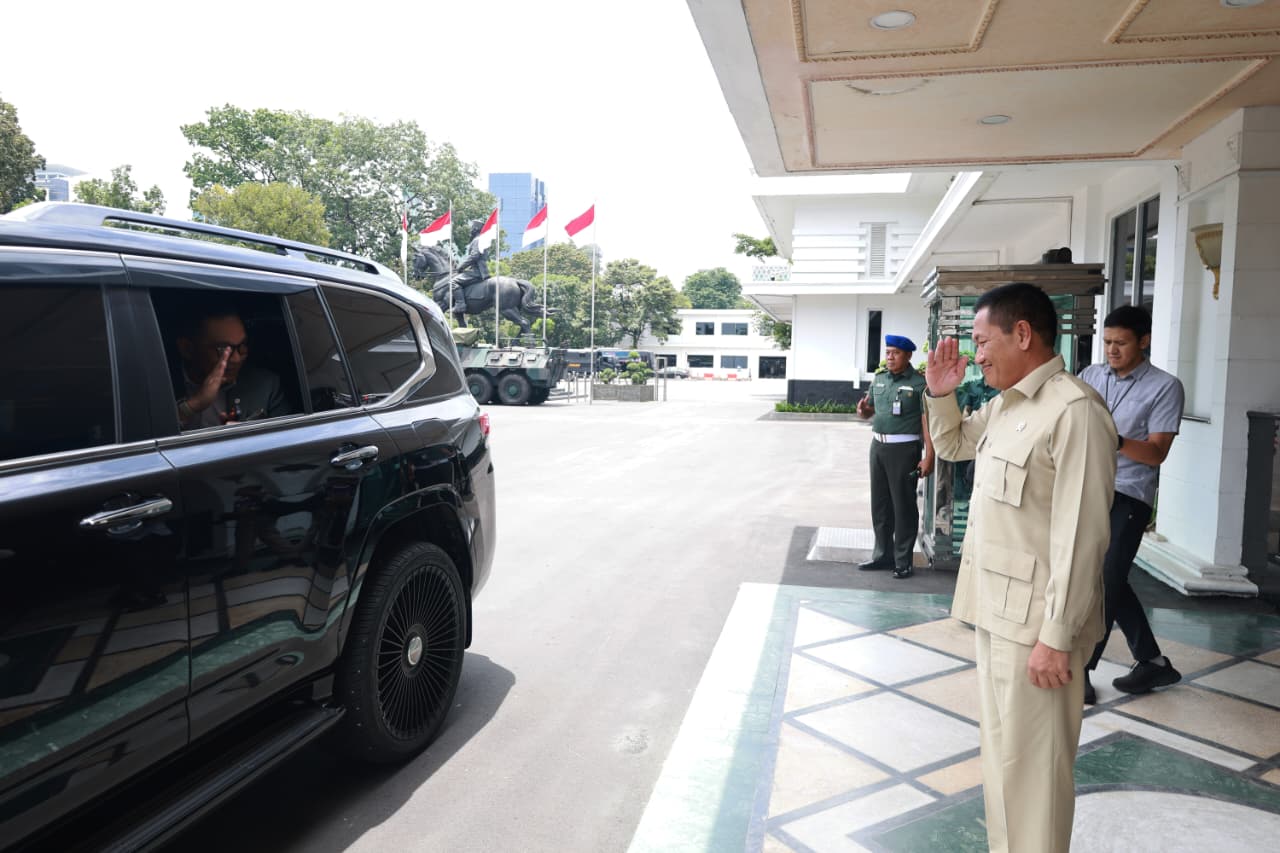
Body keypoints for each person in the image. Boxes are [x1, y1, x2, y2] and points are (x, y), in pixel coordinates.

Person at [924, 282, 1116, 853]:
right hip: (997, 614)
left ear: (1023, 334)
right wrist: (941, 395)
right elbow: (954, 445)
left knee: (1036, 778)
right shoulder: (1007, 404)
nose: (977, 355)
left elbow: (1082, 536)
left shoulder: (1074, 411)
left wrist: (1057, 637)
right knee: (1005, 766)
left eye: (983, 341)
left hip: (1038, 629)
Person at [1078, 305, 1185, 703]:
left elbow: (1157, 452)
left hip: (1129, 493)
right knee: (1108, 576)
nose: (1111, 350)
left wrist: (1115, 439)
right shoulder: (1090, 376)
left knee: (1105, 580)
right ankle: (1152, 663)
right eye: (1107, 342)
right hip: (1088, 487)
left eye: (1120, 343)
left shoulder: (1165, 387)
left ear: (1144, 341)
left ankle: (1081, 669)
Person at [855, 334, 935, 579]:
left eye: (896, 353)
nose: (890, 357)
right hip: (878, 447)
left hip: (904, 449)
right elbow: (868, 412)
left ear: (908, 355)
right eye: (888, 352)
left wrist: (929, 455)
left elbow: (927, 422)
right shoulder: (879, 379)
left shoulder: (919, 384)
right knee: (880, 505)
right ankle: (882, 555)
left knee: (903, 506)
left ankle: (903, 561)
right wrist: (863, 411)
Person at [176, 306, 287, 429]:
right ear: (187, 349)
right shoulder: (161, 387)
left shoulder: (265, 386)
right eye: (223, 349)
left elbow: (288, 436)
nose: (236, 359)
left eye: (242, 344)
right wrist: (191, 406)